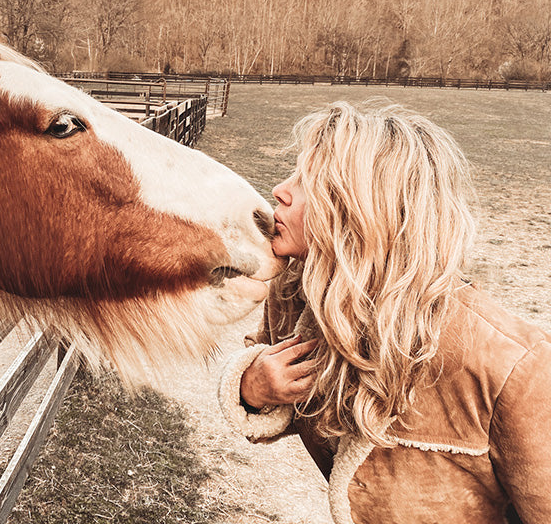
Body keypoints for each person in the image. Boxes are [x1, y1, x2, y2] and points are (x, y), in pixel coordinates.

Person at [218, 101, 551, 524]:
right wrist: (253, 386)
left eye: (307, 181)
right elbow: (270, 378)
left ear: (360, 210)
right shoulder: (297, 293)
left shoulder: (513, 366)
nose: (281, 190)